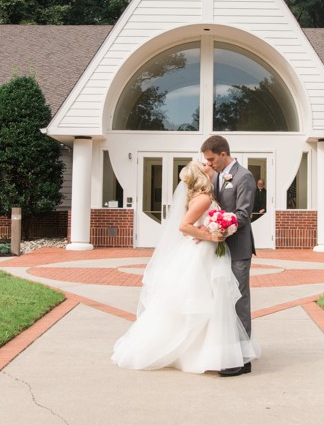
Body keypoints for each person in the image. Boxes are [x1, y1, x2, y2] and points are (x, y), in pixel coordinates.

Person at [111, 160, 259, 374]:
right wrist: (209, 234)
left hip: (209, 253)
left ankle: (217, 350)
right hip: (202, 254)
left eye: (209, 161)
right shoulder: (204, 198)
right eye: (205, 164)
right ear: (201, 174)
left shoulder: (207, 194)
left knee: (215, 302)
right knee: (205, 302)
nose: (209, 165)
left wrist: (208, 229)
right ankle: (202, 351)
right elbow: (184, 226)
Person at [201, 135, 256, 376]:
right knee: (223, 301)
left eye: (212, 159)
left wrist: (219, 227)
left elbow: (243, 214)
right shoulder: (218, 178)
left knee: (239, 301)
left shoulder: (244, 177)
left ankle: (243, 359)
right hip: (221, 248)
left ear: (223, 154)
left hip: (239, 248)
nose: (209, 164)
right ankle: (227, 351)